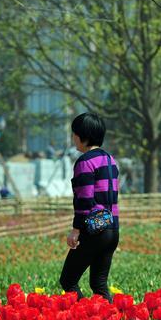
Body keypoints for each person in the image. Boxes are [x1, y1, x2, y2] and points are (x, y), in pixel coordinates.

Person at [59, 112, 119, 302]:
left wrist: (76, 230)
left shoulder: (85, 162)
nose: (73, 138)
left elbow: (84, 200)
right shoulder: (111, 160)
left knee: (68, 280)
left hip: (94, 230)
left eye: (74, 134)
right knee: (99, 284)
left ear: (82, 136)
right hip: (112, 230)